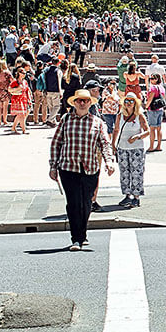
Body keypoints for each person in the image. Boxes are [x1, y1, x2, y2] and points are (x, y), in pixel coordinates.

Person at [49, 88, 114, 249]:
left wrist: (109, 161)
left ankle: (82, 234)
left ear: (90, 103)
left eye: (86, 100)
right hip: (68, 167)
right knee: (73, 203)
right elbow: (56, 143)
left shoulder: (97, 122)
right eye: (80, 100)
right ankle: (76, 238)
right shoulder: (66, 120)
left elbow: (104, 143)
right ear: (75, 103)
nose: (83, 103)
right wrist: (53, 166)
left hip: (90, 168)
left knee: (86, 203)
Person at [111, 94, 147, 208]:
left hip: (136, 148)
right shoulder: (120, 116)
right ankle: (127, 195)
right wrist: (113, 144)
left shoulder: (139, 115)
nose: (128, 104)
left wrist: (137, 136)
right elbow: (116, 130)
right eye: (126, 101)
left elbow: (147, 131)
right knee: (124, 172)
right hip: (122, 147)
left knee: (136, 172)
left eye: (131, 101)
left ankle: (136, 197)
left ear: (135, 103)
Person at [144, 74, 165, 152]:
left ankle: (151, 146)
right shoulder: (162, 88)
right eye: (150, 78)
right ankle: (159, 146)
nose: (151, 80)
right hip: (160, 109)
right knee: (159, 128)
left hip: (152, 110)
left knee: (152, 128)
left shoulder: (153, 88)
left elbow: (150, 99)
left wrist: (146, 106)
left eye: (152, 78)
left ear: (157, 79)